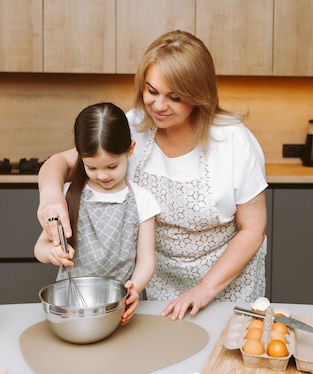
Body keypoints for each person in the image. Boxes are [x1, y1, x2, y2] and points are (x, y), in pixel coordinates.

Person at [37, 30, 267, 320]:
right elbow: (60, 161)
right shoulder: (133, 127)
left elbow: (253, 229)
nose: (158, 106)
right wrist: (50, 196)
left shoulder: (234, 142)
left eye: (175, 97)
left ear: (199, 94)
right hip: (158, 287)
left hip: (227, 286)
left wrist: (204, 289)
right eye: (152, 91)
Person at [34, 102, 160, 325]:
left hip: (118, 306)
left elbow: (147, 259)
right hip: (72, 308)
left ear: (130, 149)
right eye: (91, 167)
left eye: (112, 166)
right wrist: (51, 253)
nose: (102, 175)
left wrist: (135, 288)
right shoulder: (67, 196)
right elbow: (40, 248)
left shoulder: (142, 199)